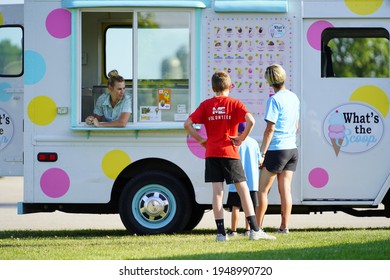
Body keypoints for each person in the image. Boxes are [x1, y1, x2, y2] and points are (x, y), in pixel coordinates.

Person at [184, 70, 275, 241]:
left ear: (213, 87)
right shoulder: (234, 104)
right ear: (230, 86)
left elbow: (187, 124)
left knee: (217, 193)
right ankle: (255, 230)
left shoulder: (206, 105)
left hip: (212, 153)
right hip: (230, 153)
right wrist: (241, 138)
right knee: (243, 191)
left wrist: (201, 140)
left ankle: (220, 233)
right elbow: (251, 121)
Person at [256, 64, 300, 234]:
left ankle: (257, 227)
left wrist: (262, 153)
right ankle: (284, 226)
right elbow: (296, 125)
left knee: (263, 191)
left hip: (277, 149)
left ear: (269, 81)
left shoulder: (274, 100)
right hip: (292, 149)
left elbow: (270, 129)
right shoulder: (293, 97)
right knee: (285, 190)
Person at [227, 122, 260, 237]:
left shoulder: (235, 142)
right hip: (252, 182)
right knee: (249, 205)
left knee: (236, 206)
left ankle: (233, 231)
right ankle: (248, 230)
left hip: (236, 180)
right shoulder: (254, 142)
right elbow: (259, 160)